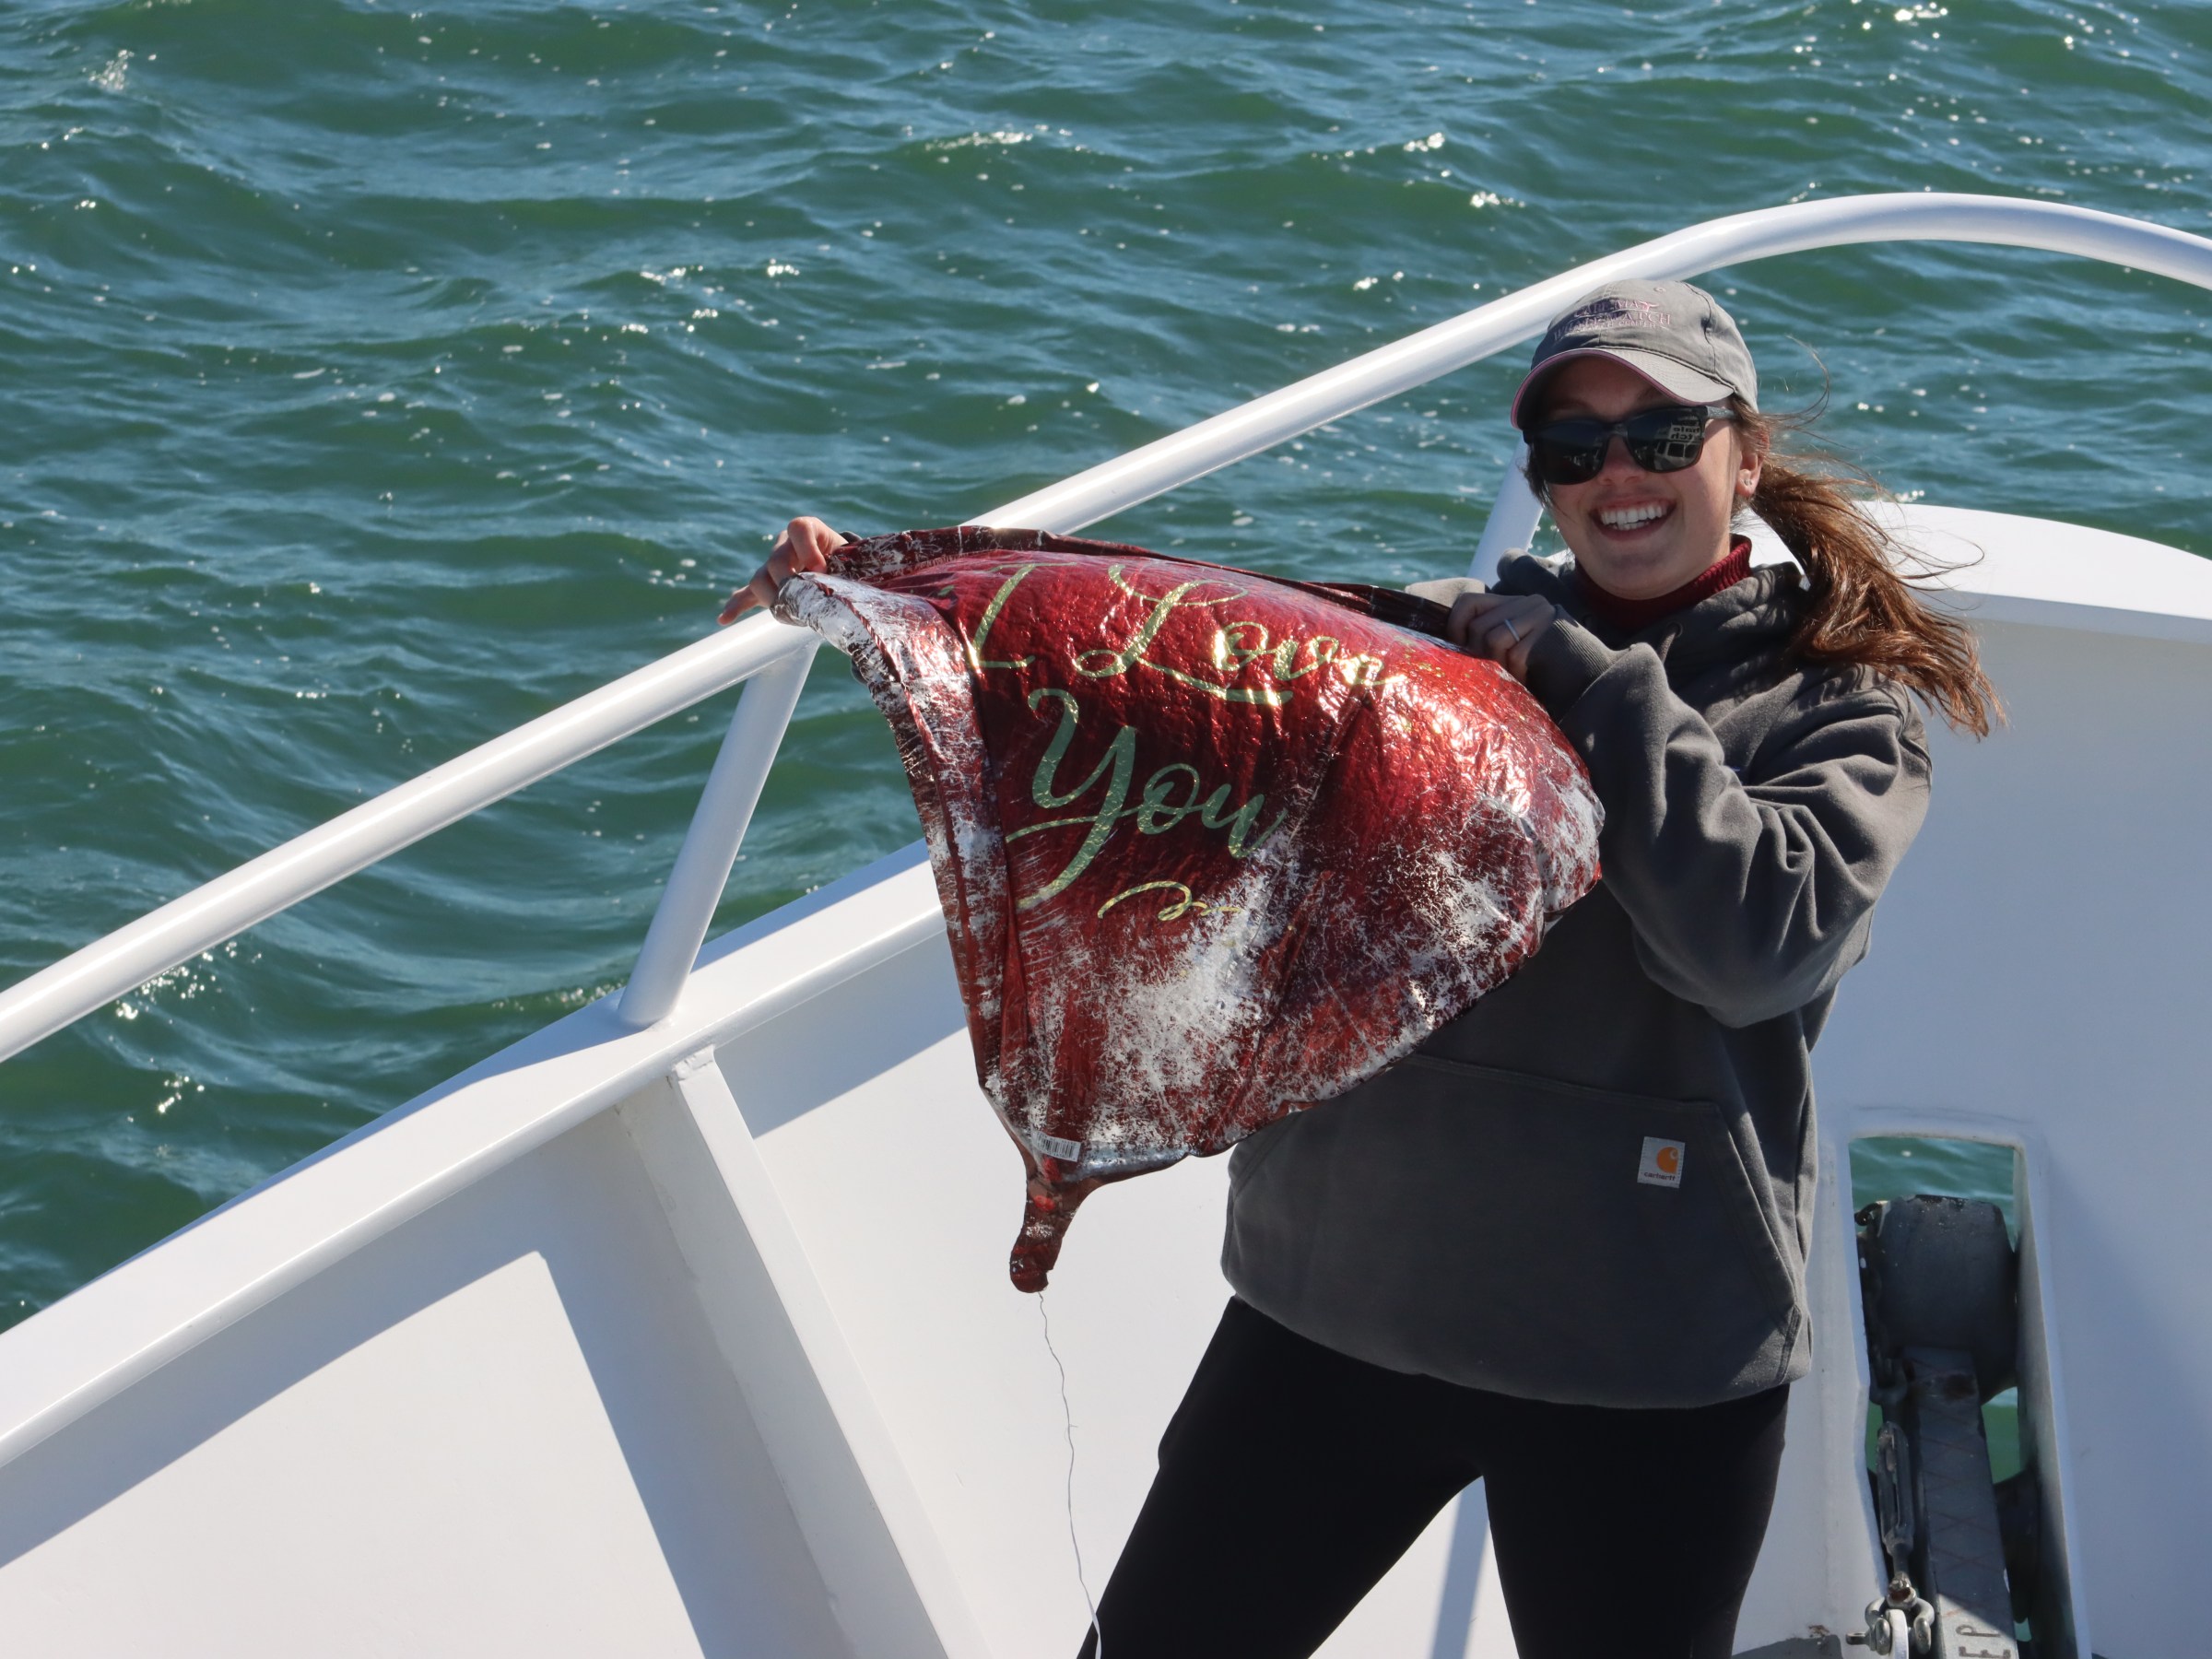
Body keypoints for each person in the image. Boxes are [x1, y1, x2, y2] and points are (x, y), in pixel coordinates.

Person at [723, 278, 1997, 1659]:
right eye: (1574, 449)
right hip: (1336, 1301)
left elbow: (1750, 948)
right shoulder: (1443, 645)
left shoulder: (1837, 705)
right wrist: (887, 586)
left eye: (1662, 436)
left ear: (1743, 457)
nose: (1617, 474)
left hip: (1643, 1352)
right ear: (1541, 481)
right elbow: (1153, 662)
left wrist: (1591, 681)